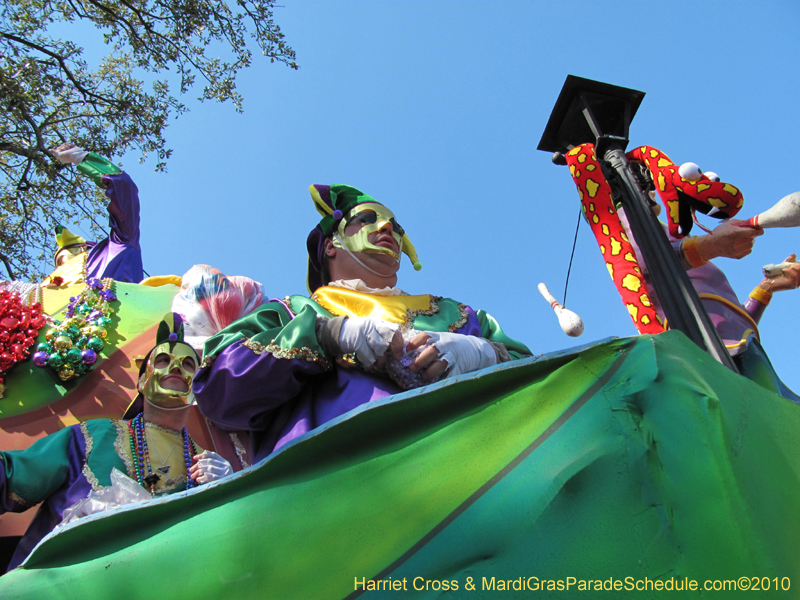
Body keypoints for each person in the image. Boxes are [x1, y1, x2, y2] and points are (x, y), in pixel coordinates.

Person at [193, 184, 531, 462]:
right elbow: (216, 388)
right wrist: (327, 335)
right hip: (332, 493)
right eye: (366, 219)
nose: (387, 229)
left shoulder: (459, 315)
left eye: (396, 227)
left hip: (470, 474)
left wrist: (480, 353)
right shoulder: (291, 312)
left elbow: (540, 384)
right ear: (331, 245)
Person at [0, 314, 232, 571]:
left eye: (188, 364)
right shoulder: (95, 436)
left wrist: (229, 494)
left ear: (196, 386)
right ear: (142, 380)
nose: (176, 367)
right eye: (164, 360)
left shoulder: (207, 467)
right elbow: (16, 475)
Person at [43, 143, 143, 286]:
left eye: (67, 255)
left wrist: (79, 157)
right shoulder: (45, 291)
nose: (63, 265)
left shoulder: (118, 245)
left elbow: (124, 188)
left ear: (85, 249)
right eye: (59, 263)